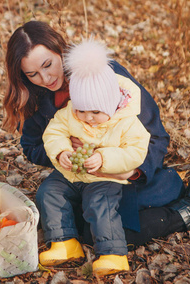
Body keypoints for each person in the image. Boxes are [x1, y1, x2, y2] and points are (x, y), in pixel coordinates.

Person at [2, 20, 190, 274]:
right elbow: (32, 146)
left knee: (108, 229)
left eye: (48, 65)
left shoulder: (105, 77)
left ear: (59, 50)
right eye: (32, 74)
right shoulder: (34, 93)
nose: (45, 78)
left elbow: (154, 136)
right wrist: (66, 152)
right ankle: (69, 241)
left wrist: (130, 171)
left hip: (124, 172)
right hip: (79, 173)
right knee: (57, 210)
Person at [41, 38, 151, 275]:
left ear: (111, 106)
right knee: (50, 191)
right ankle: (64, 242)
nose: (87, 117)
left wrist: (104, 158)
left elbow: (136, 151)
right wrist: (61, 151)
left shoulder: (127, 123)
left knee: (100, 205)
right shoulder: (68, 114)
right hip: (71, 174)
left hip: (105, 178)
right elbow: (54, 132)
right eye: (81, 110)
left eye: (95, 112)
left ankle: (113, 254)